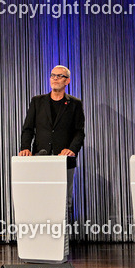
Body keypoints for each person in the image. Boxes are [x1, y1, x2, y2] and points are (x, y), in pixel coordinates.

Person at [19, 65, 85, 226]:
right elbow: (28, 128)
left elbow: (79, 132)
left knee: (64, 201)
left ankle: (63, 241)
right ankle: (41, 237)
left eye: (59, 76)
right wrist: (25, 148)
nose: (55, 78)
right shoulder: (37, 101)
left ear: (67, 81)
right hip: (40, 158)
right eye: (52, 75)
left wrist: (72, 149)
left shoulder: (75, 104)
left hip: (64, 161)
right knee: (40, 198)